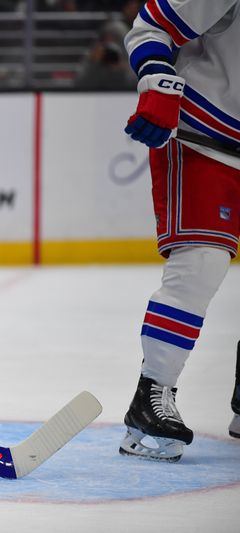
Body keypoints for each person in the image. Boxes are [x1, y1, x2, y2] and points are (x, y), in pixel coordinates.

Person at [119, 0, 240, 462]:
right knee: (201, 264)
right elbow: (150, 27)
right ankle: (151, 396)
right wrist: (156, 78)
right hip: (204, 132)